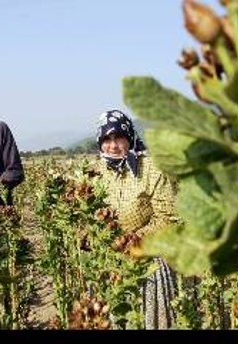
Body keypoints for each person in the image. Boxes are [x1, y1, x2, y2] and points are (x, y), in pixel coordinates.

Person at [95, 109, 179, 329]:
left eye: (119, 137)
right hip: (111, 260)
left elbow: (167, 217)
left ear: (129, 137)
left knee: (148, 319)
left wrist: (132, 240)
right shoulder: (97, 171)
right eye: (107, 139)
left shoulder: (151, 168)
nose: (113, 145)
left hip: (148, 260)